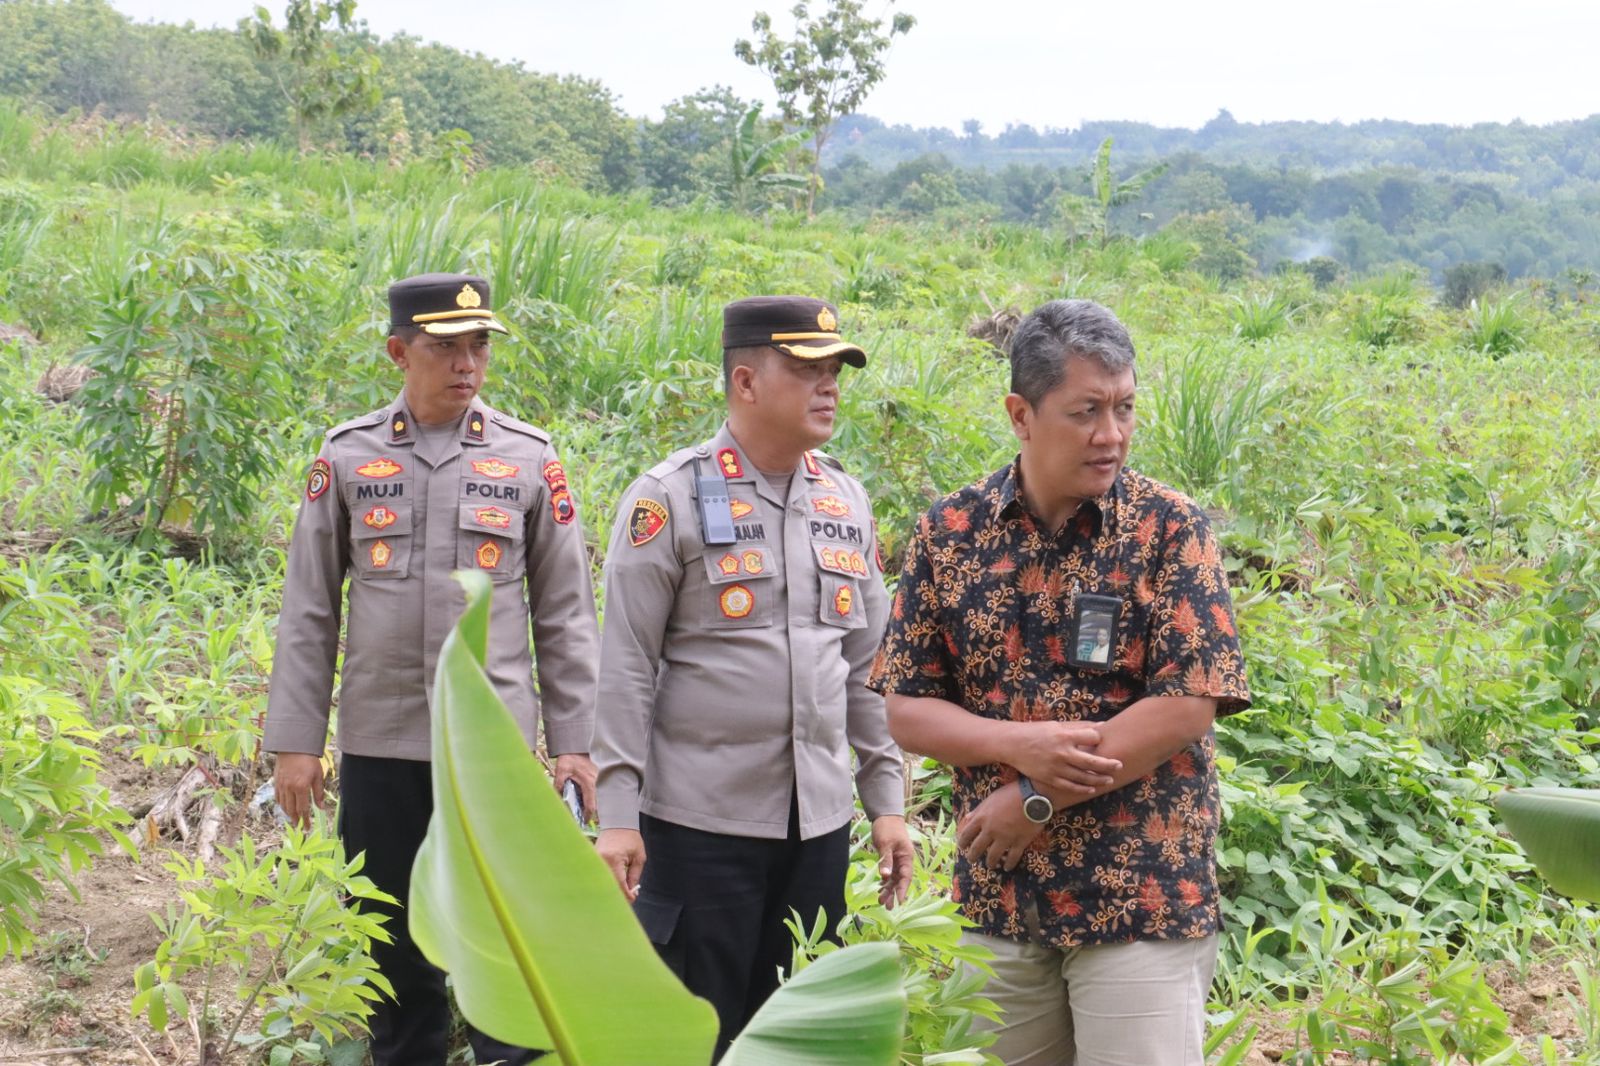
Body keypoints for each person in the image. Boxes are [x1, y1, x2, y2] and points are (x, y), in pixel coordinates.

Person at [869, 299, 1250, 1066]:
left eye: (1125, 408)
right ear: (1022, 414)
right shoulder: (950, 534)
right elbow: (908, 707)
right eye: (1086, 412)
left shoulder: (1169, 528)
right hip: (1000, 902)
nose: (1111, 434)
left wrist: (1037, 795)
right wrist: (1021, 746)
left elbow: (1186, 704)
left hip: (1139, 900)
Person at [263, 273, 600, 1066]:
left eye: (478, 345)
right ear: (397, 352)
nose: (467, 364)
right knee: (391, 949)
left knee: (503, 945)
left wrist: (577, 743)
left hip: (494, 756)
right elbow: (311, 608)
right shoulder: (348, 455)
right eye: (445, 347)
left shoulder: (528, 458)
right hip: (382, 743)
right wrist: (296, 741)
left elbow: (565, 616)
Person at [592, 296, 915, 1058]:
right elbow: (627, 665)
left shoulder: (845, 498)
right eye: (806, 368)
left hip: (818, 828)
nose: (828, 384)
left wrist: (888, 803)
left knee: (795, 1039)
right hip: (700, 825)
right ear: (745, 381)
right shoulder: (665, 498)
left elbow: (870, 668)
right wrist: (616, 814)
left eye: (834, 369)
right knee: (693, 1035)